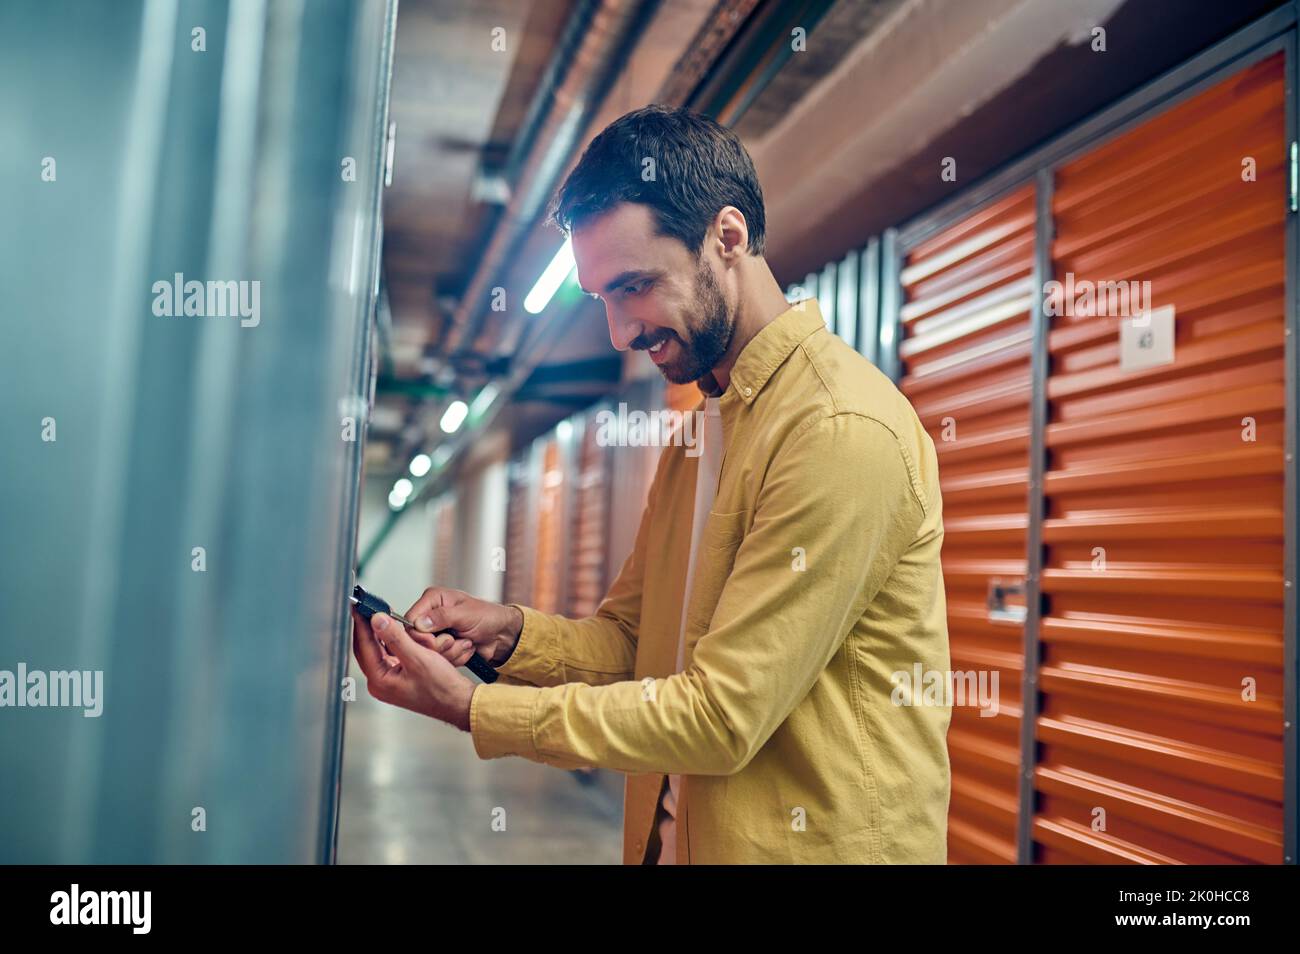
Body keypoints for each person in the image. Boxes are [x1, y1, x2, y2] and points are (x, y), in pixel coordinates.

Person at [350, 104, 951, 864]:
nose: (619, 331)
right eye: (601, 298)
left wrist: (478, 709)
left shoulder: (837, 430)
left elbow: (722, 715)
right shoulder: (704, 427)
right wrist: (505, 633)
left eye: (633, 286)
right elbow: (636, 645)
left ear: (727, 238)